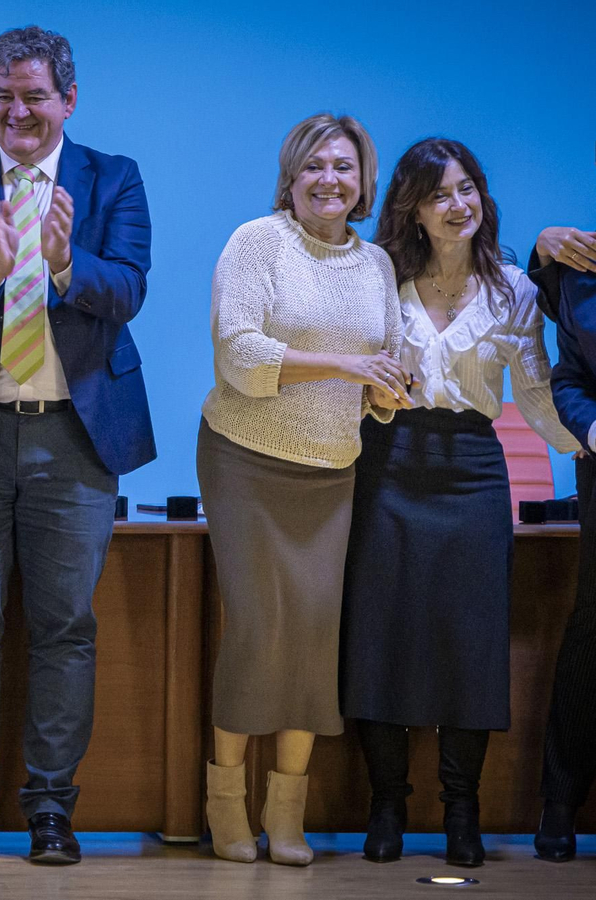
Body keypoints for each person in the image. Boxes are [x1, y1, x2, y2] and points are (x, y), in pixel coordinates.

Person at [0, 25, 153, 864]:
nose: (19, 112)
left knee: (64, 628)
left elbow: (130, 290)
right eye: (4, 97)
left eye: (35, 97)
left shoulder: (112, 178)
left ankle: (51, 808)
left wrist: (65, 263)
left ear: (67, 101)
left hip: (74, 441)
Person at [344, 138, 580, 868]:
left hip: (476, 470)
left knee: (469, 645)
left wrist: (583, 443)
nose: (459, 205)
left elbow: (537, 395)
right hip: (389, 462)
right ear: (411, 209)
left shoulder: (514, 288)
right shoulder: (377, 277)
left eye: (469, 188)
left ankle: (461, 809)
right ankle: (387, 802)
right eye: (441, 193)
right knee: (380, 639)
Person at [198, 113, 405, 866]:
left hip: (331, 469)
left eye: (344, 168)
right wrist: (348, 368)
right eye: (315, 166)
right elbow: (241, 356)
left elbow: (382, 366)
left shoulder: (377, 264)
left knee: (314, 642)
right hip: (246, 459)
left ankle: (287, 811)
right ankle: (225, 800)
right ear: (291, 176)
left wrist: (387, 390)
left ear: (364, 183)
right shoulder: (258, 242)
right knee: (258, 628)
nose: (329, 180)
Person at [532, 209, 596, 862]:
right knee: (592, 626)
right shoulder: (583, 270)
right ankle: (560, 799)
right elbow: (569, 377)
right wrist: (594, 430)